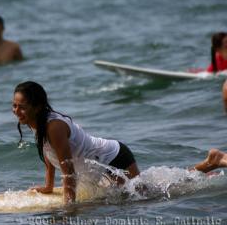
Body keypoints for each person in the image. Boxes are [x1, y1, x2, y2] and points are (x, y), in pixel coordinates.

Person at [12, 81, 227, 204]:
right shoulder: (36, 123)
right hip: (102, 163)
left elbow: (68, 170)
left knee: (151, 195)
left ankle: (210, 164)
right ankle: (209, 162)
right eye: (14, 106)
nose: (17, 111)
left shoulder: (53, 126)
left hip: (113, 157)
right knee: (146, 191)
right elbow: (50, 155)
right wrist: (49, 186)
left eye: (21, 106)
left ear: (38, 106)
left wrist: (69, 207)